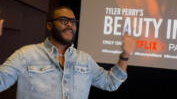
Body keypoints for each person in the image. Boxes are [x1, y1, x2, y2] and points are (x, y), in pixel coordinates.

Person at [0, 6, 131, 99]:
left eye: (73, 22)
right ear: (49, 25)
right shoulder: (26, 55)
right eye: (64, 20)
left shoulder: (85, 60)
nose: (70, 25)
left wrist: (125, 55)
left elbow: (110, 82)